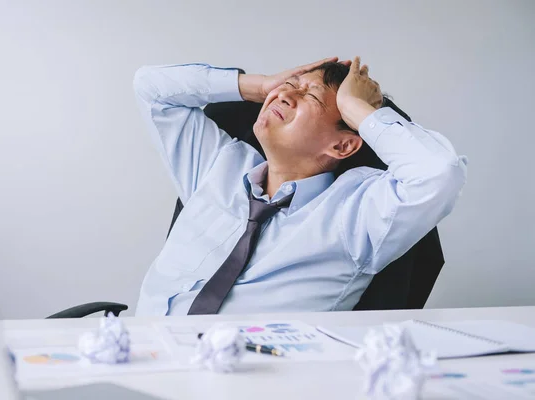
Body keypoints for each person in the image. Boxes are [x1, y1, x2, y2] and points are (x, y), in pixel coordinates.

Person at [132, 56, 467, 316]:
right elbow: (151, 87)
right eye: (290, 84)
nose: (285, 94)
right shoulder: (217, 164)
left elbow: (440, 172)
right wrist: (261, 85)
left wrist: (357, 107)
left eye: (311, 96)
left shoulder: (357, 213)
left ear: (342, 146)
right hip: (144, 354)